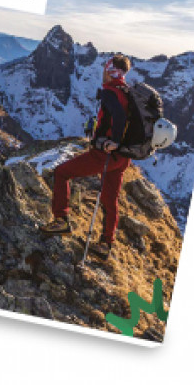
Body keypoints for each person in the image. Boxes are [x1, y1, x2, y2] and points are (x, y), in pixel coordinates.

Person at [43, 55, 137, 253]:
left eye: (105, 69)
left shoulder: (111, 92)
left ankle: (61, 220)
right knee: (110, 200)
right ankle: (105, 244)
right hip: (122, 158)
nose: (103, 73)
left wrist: (113, 141)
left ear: (111, 71)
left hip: (105, 154)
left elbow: (118, 116)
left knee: (61, 173)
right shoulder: (127, 92)